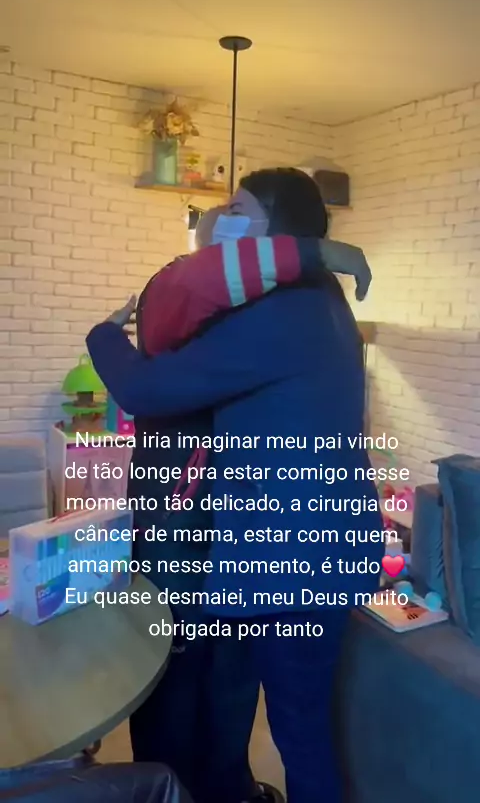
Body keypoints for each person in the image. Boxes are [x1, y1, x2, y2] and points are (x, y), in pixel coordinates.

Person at [86, 168, 383, 803]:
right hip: (320, 550)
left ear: (279, 231)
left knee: (300, 734)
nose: (221, 218)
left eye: (238, 207)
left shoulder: (280, 312)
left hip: (291, 560)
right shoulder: (324, 300)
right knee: (296, 720)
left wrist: (104, 337)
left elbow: (142, 390)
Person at [130, 228, 336, 803]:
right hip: (177, 525)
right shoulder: (174, 290)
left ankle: (228, 785)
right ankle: (170, 789)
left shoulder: (256, 314)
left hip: (237, 529)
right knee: (173, 661)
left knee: (232, 665)